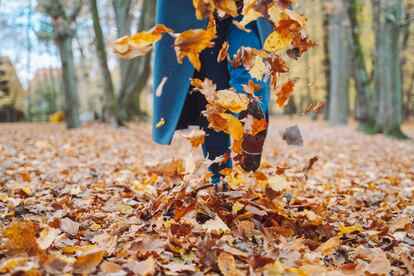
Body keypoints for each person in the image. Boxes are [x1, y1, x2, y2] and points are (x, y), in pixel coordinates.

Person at [152, 0, 273, 187]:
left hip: (218, 8)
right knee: (216, 92)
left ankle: (222, 172)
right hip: (212, 10)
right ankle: (248, 109)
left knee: (217, 86)